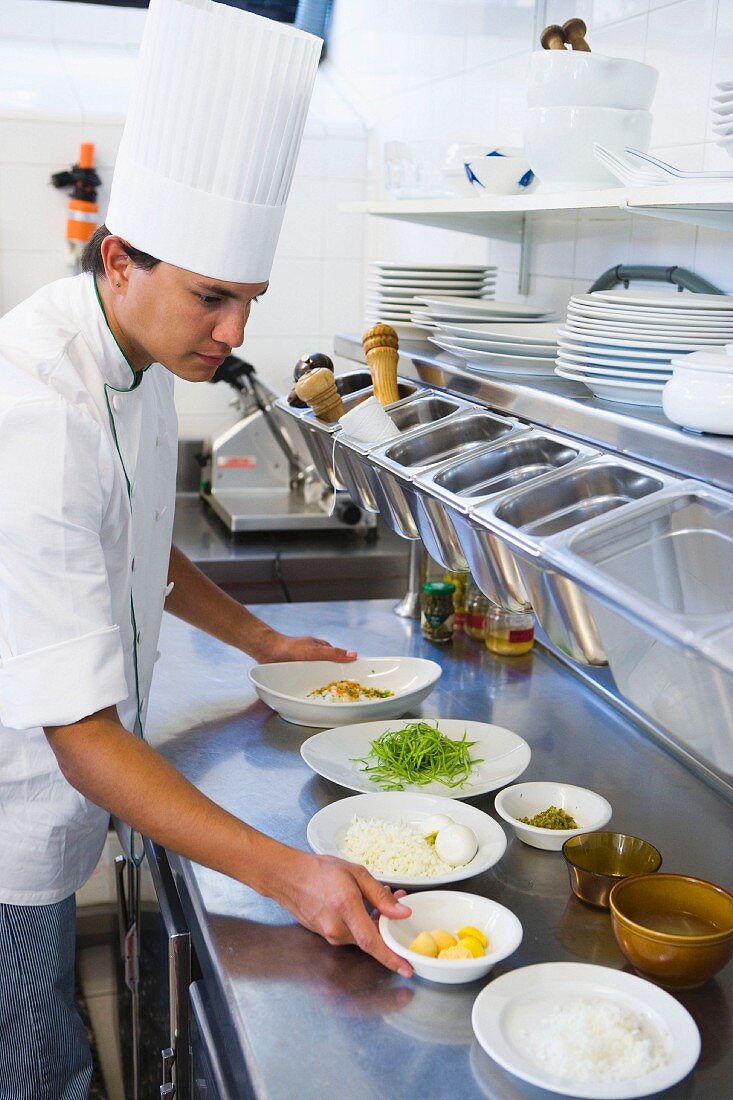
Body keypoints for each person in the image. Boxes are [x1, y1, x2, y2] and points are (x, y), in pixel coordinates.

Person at [0, 3, 411, 1098]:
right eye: (212, 296)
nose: (233, 333)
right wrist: (294, 876)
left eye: (248, 301)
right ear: (121, 256)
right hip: (9, 818)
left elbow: (142, 546)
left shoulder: (135, 355)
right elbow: (82, 737)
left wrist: (265, 637)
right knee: (34, 1062)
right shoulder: (36, 407)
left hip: (60, 792)